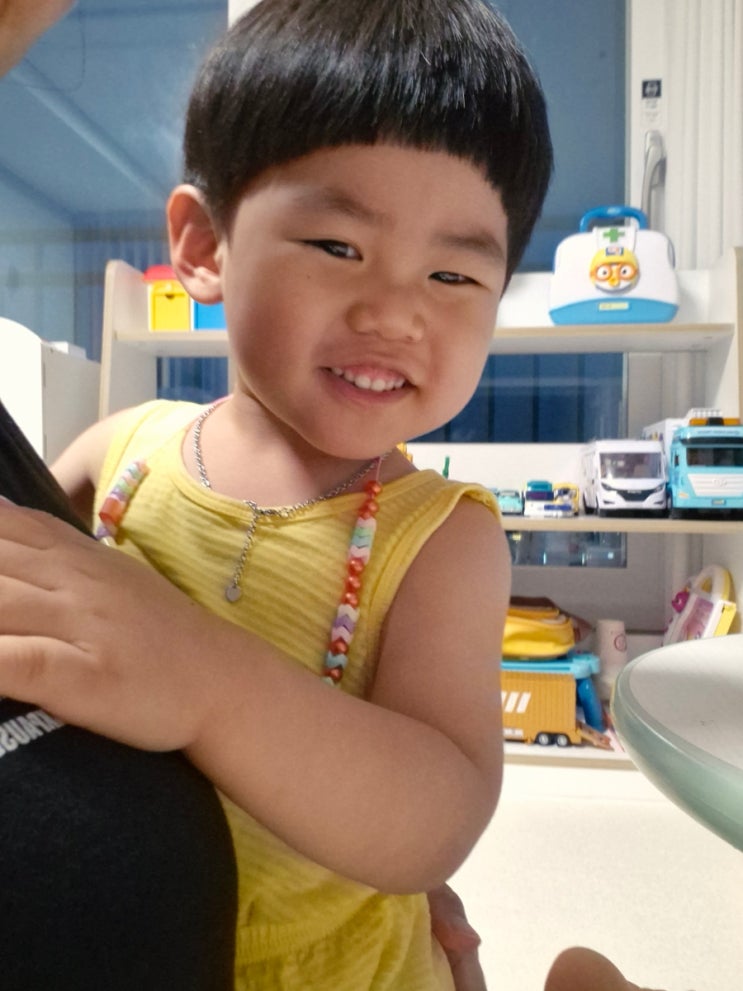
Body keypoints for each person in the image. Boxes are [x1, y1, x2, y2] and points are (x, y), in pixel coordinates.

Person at [0, 1, 679, 989]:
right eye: (336, 247)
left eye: (452, 274)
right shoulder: (121, 452)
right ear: (205, 246)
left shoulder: (439, 540)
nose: (396, 313)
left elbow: (438, 814)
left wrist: (201, 680)